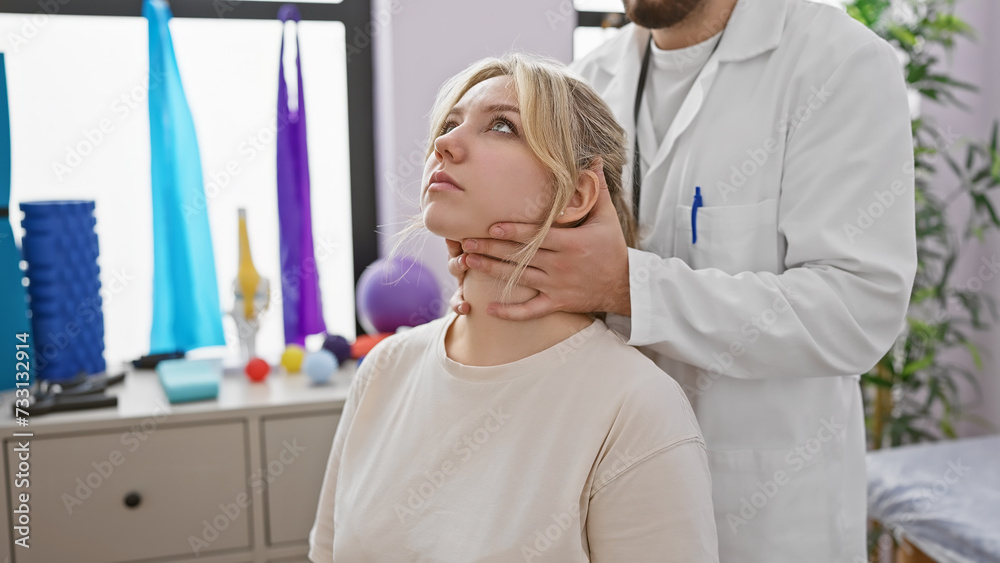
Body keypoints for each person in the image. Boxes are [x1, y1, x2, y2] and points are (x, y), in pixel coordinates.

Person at [447, 0, 917, 561]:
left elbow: (855, 314)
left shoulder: (838, 64)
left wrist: (626, 286)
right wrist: (508, 265)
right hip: (605, 494)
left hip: (763, 512)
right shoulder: (593, 79)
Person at [308, 53, 719, 562]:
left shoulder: (635, 408)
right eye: (450, 123)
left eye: (501, 126)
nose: (443, 144)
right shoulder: (386, 369)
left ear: (574, 194)